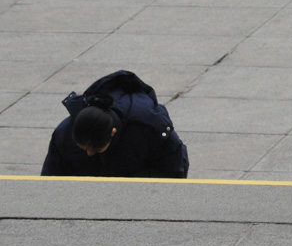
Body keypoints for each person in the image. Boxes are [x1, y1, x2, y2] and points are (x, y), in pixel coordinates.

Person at [42, 70, 189, 178]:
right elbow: (51, 179)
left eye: (97, 149)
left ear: (112, 132)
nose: (89, 153)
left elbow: (173, 169)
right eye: (82, 147)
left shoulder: (148, 128)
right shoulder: (64, 134)